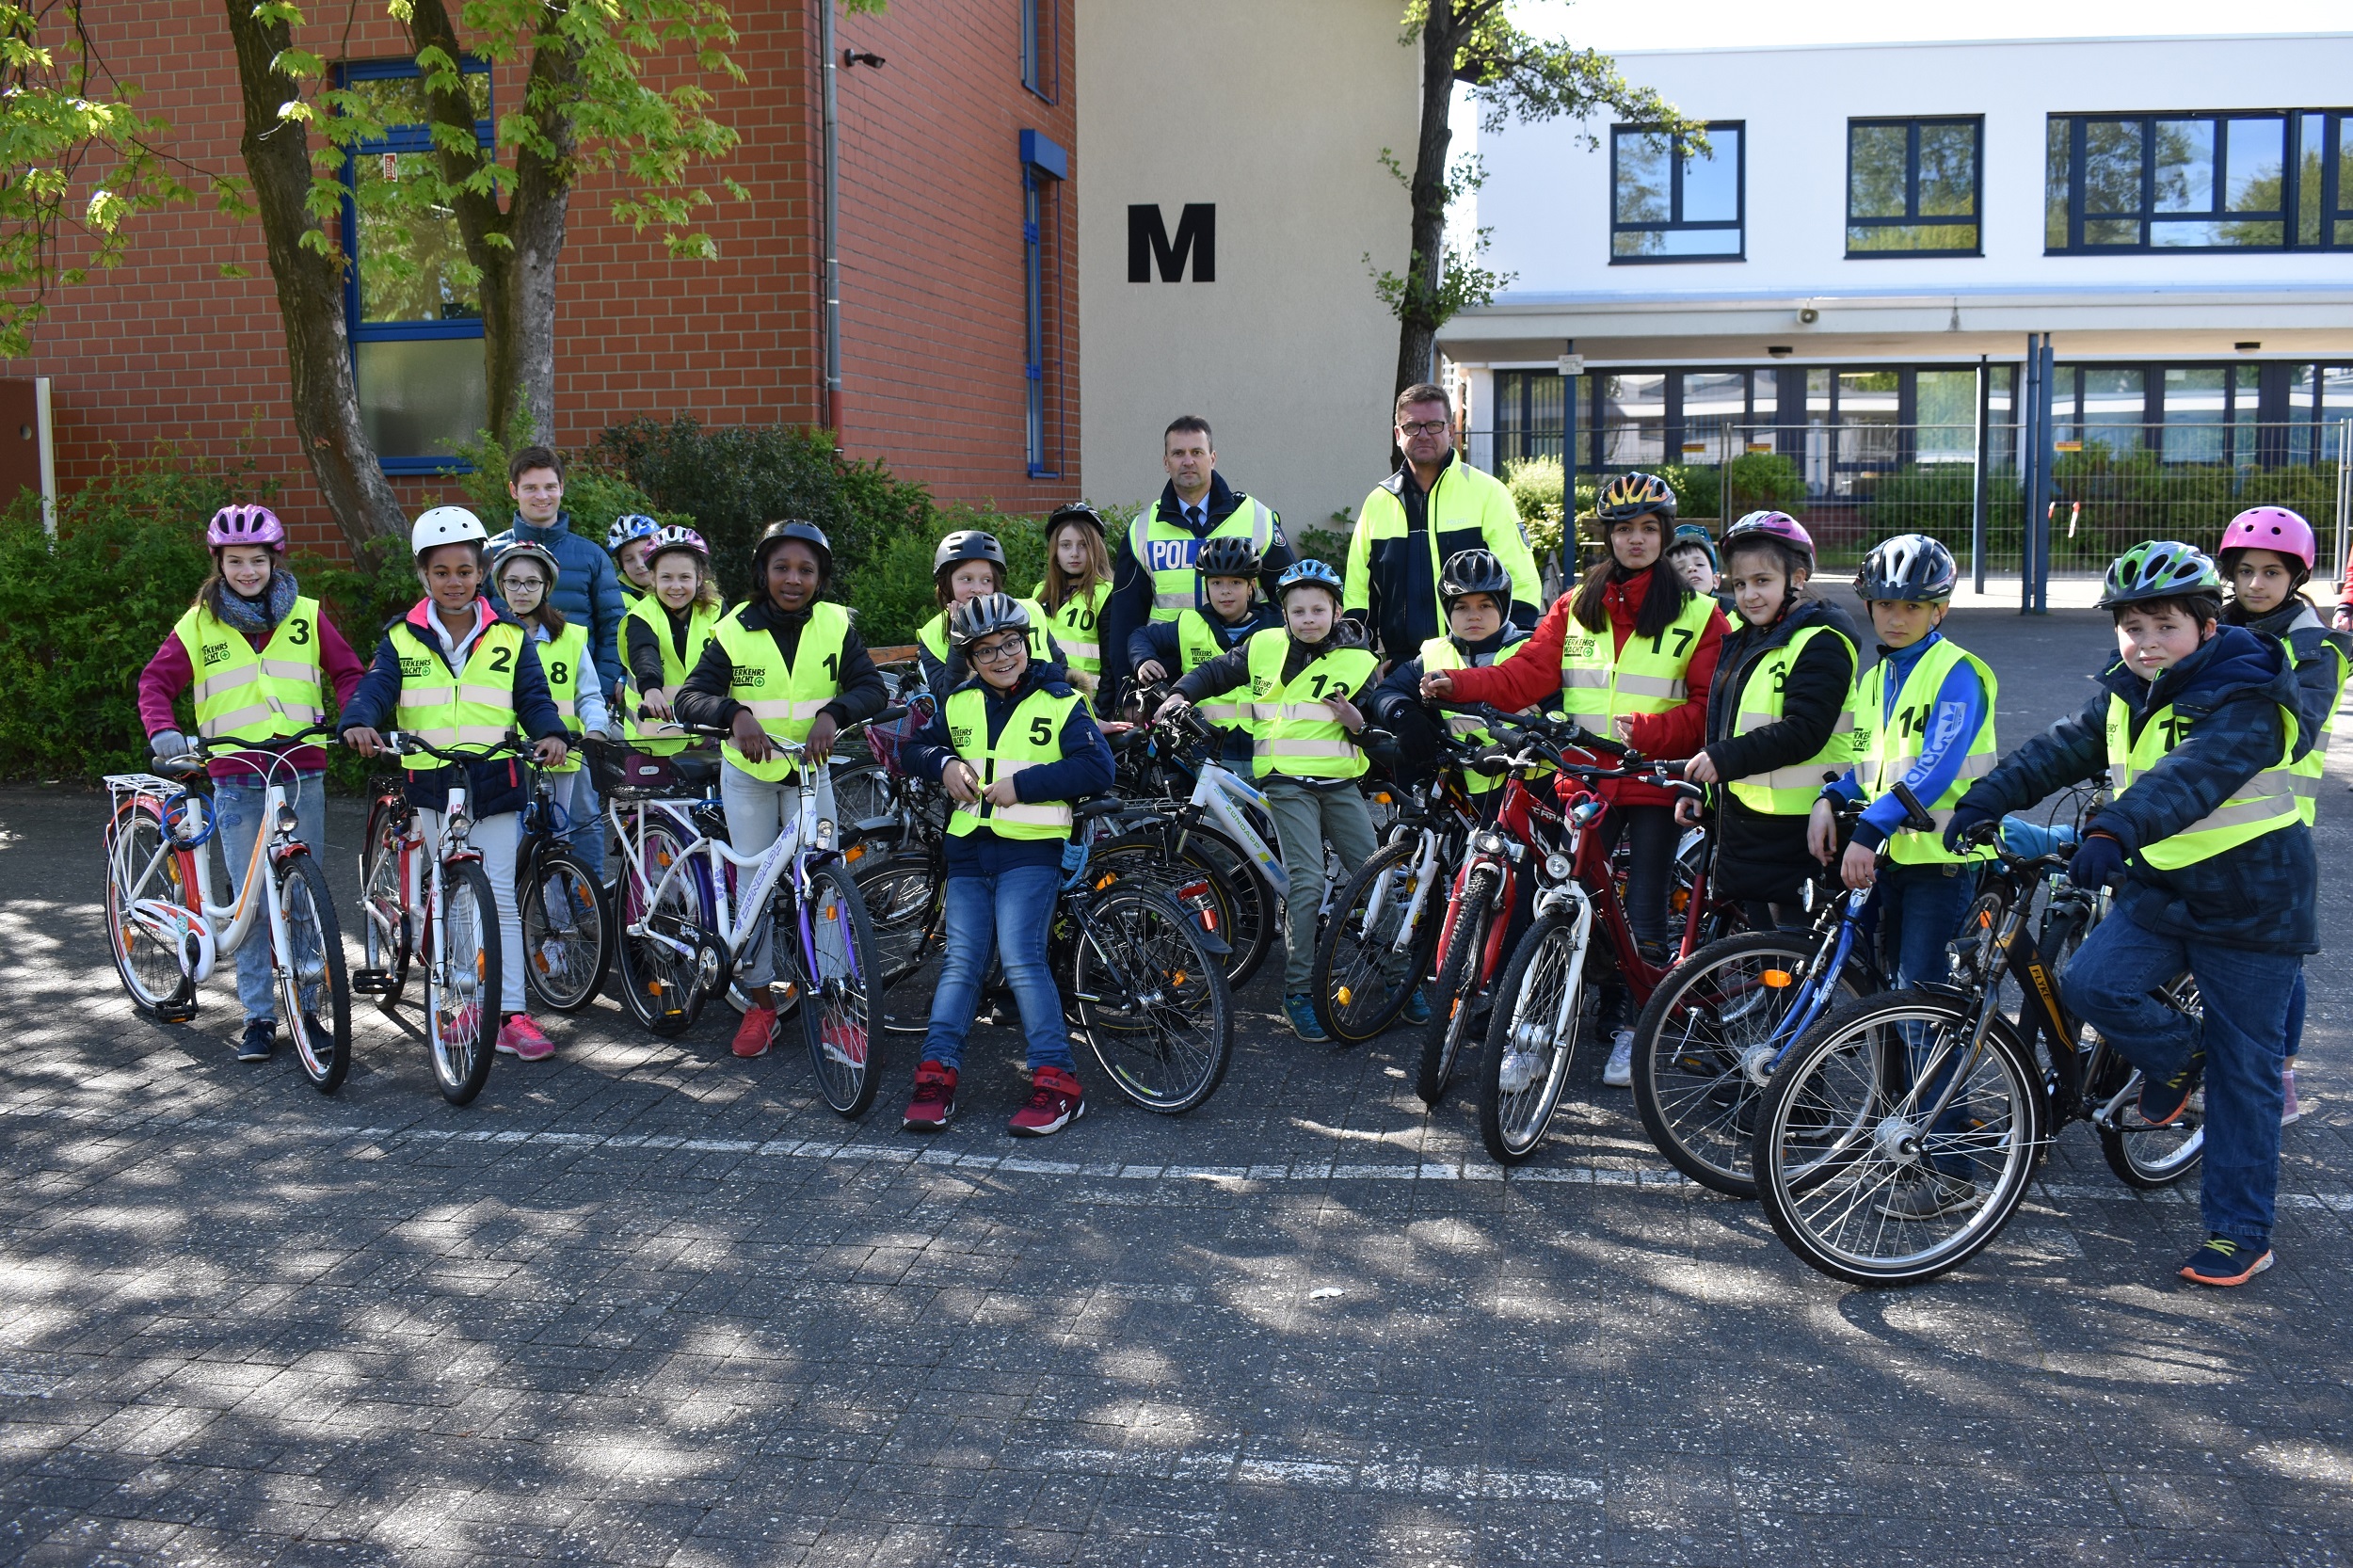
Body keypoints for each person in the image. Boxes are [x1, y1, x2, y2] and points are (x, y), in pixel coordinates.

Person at [1947, 542, 2313, 1287]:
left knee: (2245, 1072)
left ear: (2207, 628)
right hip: (2163, 893)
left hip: (2252, 906)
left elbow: (2192, 776)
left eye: (2165, 627)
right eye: (2132, 627)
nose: (2146, 643)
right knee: (2089, 984)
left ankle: (2240, 1232)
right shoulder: (2126, 692)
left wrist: (2115, 829)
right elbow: (2058, 752)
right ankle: (2179, 1052)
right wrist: (1984, 798)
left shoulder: (2252, 695)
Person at [1419, 470, 1724, 1087]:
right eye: (1623, 529)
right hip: (1584, 782)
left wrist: (1649, 732)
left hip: (1655, 786)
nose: (1635, 540)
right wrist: (1460, 686)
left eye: (1647, 528)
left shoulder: (1701, 615)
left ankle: (1636, 1029)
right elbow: (1524, 676)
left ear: (1663, 535)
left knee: (1640, 919)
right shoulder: (1576, 605)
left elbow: (1706, 711)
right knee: (1557, 907)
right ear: (1606, 536)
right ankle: (1531, 1035)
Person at [339, 506, 573, 1062]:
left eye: (464, 571)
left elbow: (534, 697)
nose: (454, 582)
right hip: (433, 777)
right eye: (441, 572)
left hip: (494, 776)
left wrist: (552, 733)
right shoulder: (402, 637)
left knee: (495, 895)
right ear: (424, 575)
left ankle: (512, 1013)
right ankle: (458, 1000)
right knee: (448, 893)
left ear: (481, 571)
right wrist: (360, 720)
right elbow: (376, 687)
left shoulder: (510, 636)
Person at [137, 504, 366, 1063]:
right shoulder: (199, 623)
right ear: (219, 563)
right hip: (236, 776)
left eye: (257, 560)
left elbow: (349, 673)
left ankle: (307, 1010)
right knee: (252, 902)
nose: (247, 571)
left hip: (299, 767)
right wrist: (163, 729)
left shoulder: (307, 615)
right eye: (235, 561)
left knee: (301, 894)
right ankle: (259, 1016)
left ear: (273, 560)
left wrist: (354, 715)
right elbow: (155, 682)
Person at [897, 594, 1114, 1135]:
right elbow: (913, 750)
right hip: (969, 849)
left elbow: (1097, 768)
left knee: (1021, 959)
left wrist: (1024, 785)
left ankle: (1057, 1083)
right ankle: (936, 1074)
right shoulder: (959, 702)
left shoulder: (1063, 702)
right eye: (986, 650)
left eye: (1010, 644)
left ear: (1027, 642)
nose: (1001, 657)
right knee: (961, 962)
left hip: (1030, 850)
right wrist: (942, 762)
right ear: (969, 660)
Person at [674, 521, 890, 1059]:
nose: (794, 579)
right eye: (782, 568)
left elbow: (871, 687)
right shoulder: (732, 630)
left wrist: (835, 713)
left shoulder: (837, 625)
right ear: (762, 572)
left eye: (806, 570)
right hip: (749, 774)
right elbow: (690, 698)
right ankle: (759, 1006)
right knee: (753, 885)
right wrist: (733, 713)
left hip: (809, 775)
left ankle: (837, 1006)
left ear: (821, 578)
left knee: (826, 887)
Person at [1157, 560, 1381, 1043]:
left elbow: (1381, 729)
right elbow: (1216, 672)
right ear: (1283, 614)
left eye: (1318, 609)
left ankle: (1395, 969)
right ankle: (1299, 992)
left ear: (1336, 611)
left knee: (1372, 873)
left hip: (1339, 783)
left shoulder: (1359, 661)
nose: (1307, 619)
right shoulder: (1262, 646)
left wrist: (1358, 721)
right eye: (1297, 610)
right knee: (1307, 880)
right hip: (1285, 782)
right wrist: (1178, 694)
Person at [1810, 534, 1995, 996]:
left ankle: (1938, 1072)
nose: (1896, 618)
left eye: (1914, 607)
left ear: (1941, 610)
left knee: (1921, 1000)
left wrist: (1870, 830)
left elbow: (1935, 768)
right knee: (1882, 999)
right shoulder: (1874, 678)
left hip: (1943, 860)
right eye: (1886, 604)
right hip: (1890, 858)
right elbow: (1870, 768)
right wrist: (1830, 797)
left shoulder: (1957, 672)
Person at [2216, 504, 2348, 1125]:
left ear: (2296, 577)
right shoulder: (2214, 625)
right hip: (2204, 812)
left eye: (2271, 572)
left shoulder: (2315, 645)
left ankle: (2283, 1074)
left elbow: (2302, 717)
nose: (2256, 585)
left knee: (2277, 956)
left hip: (2277, 817)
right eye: (2244, 571)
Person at [1680, 513, 1859, 931]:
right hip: (1751, 824)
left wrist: (1723, 759)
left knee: (1796, 959)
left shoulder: (1822, 639)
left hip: (1805, 827)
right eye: (1740, 584)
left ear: (1796, 578)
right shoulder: (1747, 636)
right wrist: (1703, 791)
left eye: (1762, 581)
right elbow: (1726, 725)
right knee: (1768, 962)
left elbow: (1805, 730)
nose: (1749, 595)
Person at [1101, 415, 1295, 710]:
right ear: (1166, 462)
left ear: (1213, 458)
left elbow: (1290, 599)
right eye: (1178, 453)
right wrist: (1126, 691)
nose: (1188, 461)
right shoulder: (1142, 529)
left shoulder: (1256, 518)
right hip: (1164, 680)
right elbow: (1125, 620)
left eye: (1197, 452)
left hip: (1243, 672)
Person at [1344, 382, 1543, 661]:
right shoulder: (1378, 502)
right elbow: (1358, 593)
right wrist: (1362, 660)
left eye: (1434, 425)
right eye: (1413, 427)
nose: (1423, 434)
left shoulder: (1488, 492)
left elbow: (1521, 580)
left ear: (1450, 429)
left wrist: (1509, 655)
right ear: (1398, 434)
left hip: (1475, 663)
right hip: (1402, 665)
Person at [489, 541, 610, 878]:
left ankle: (586, 907)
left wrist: (596, 730)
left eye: (532, 582)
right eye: (513, 582)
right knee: (511, 838)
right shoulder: (488, 636)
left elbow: (589, 695)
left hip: (565, 755)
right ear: (501, 586)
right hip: (509, 756)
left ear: (546, 587)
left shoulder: (571, 637)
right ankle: (516, 912)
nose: (522, 591)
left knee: (580, 829)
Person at [1127, 535, 1277, 768]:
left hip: (1268, 750)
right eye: (1216, 583)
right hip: (1206, 752)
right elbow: (1140, 636)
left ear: (1252, 586)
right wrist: (1143, 660)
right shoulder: (1190, 623)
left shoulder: (1278, 626)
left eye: (1235, 583)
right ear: (1206, 586)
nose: (1225, 592)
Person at [487, 446, 626, 694]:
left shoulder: (592, 557)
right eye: (530, 488)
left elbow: (614, 628)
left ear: (561, 487)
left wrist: (600, 690)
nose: (542, 496)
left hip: (574, 701)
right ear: (513, 491)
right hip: (502, 698)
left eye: (550, 486)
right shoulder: (489, 555)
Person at [916, 531, 1064, 696]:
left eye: (986, 580)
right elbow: (949, 701)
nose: (978, 589)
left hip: (1049, 712)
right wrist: (959, 635)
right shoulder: (932, 634)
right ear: (946, 583)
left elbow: (1063, 671)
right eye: (966, 579)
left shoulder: (1030, 610)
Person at [622, 525, 725, 758]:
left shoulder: (716, 611)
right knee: (636, 794)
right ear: (652, 578)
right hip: (652, 740)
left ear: (699, 579)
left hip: (707, 734)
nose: (676, 586)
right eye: (666, 577)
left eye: (685, 577)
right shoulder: (642, 614)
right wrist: (651, 690)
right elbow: (643, 651)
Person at [1035, 504, 1113, 710]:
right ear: (1055, 550)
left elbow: (1111, 663)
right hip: (1044, 699)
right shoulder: (1039, 593)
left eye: (1083, 545)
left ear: (1095, 548)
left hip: (1088, 703)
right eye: (1066, 545)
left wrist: (1102, 712)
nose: (1074, 553)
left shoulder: (1106, 593)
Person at [1668, 523, 1736, 615]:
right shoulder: (1662, 618)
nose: (1691, 568)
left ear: (1716, 580)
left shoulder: (1738, 615)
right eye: (1680, 568)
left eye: (1699, 564)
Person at [607, 514, 662, 606]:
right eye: (629, 559)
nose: (639, 564)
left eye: (645, 554)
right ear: (621, 565)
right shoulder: (614, 599)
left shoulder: (685, 589)